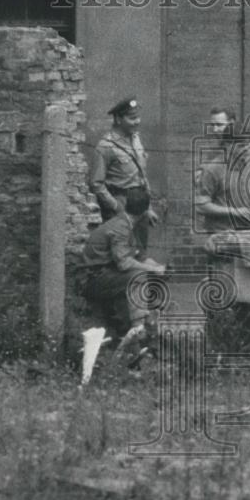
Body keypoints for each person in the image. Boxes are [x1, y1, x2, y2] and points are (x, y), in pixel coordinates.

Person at [79, 187, 166, 341]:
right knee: (138, 276)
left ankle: (151, 329)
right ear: (145, 211)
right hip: (92, 279)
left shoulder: (126, 223)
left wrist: (159, 267)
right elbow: (124, 264)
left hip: (107, 273)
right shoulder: (121, 227)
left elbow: (137, 257)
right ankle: (138, 331)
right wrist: (152, 268)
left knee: (151, 276)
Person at [89, 97, 159, 246]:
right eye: (132, 118)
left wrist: (148, 208)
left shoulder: (136, 139)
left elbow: (142, 175)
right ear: (118, 119)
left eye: (138, 117)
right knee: (121, 251)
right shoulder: (106, 146)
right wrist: (116, 207)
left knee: (140, 250)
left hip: (140, 203)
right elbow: (97, 184)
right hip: (120, 202)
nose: (137, 121)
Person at [194, 107, 250, 234]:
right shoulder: (212, 167)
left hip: (248, 232)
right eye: (242, 146)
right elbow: (201, 206)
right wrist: (235, 212)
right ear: (229, 145)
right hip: (222, 233)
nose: (247, 150)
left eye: (249, 145)